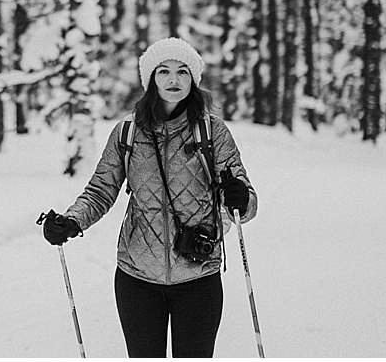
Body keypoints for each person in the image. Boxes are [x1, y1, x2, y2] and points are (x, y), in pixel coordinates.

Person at [42, 37, 257, 358]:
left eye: (183, 72)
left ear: (193, 80)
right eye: (164, 71)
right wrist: (72, 220)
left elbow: (247, 203)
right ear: (151, 78)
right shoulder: (127, 133)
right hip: (137, 277)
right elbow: (101, 190)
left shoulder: (212, 133)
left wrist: (239, 196)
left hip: (198, 277)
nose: (173, 80)